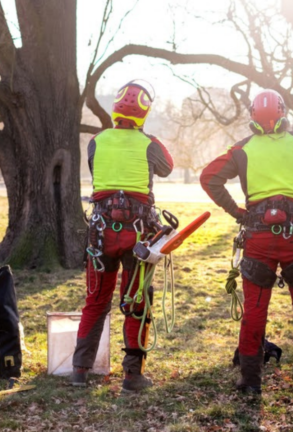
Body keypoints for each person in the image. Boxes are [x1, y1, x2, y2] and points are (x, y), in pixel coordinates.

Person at [200, 89, 293, 393]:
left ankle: (250, 380)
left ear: (252, 116)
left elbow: (208, 177)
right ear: (282, 114)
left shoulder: (242, 148)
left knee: (255, 309)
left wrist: (237, 211)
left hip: (257, 236)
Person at [70, 80, 174, 393]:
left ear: (115, 107)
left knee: (95, 301)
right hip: (138, 235)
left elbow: (94, 167)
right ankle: (132, 377)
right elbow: (167, 168)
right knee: (136, 301)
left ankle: (79, 371)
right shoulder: (149, 143)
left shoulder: (96, 141)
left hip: (101, 234)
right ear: (144, 113)